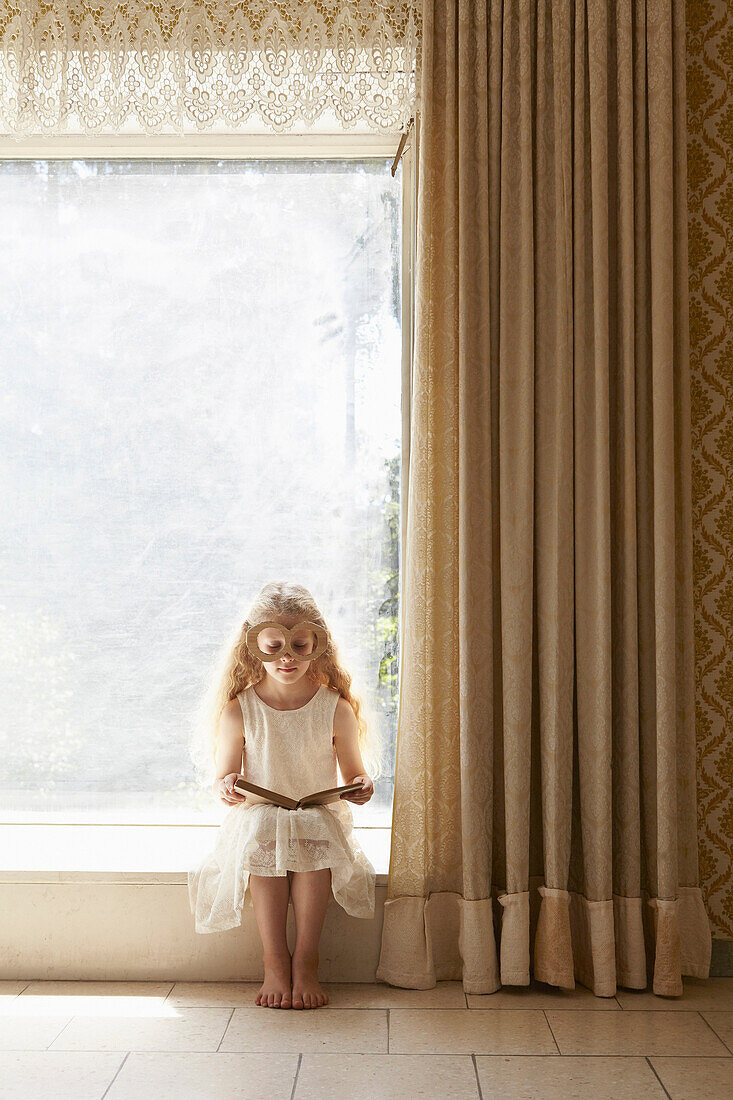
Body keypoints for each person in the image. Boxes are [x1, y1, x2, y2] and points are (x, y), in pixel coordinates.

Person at [188, 580, 378, 1011]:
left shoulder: (335, 707)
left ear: (318, 645)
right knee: (264, 831)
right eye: (274, 646)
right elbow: (225, 775)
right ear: (253, 646)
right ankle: (275, 959)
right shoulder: (239, 709)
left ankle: (306, 960)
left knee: (312, 836)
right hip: (260, 815)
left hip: (315, 813)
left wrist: (362, 786)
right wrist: (226, 787)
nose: (287, 657)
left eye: (298, 645)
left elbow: (354, 774)